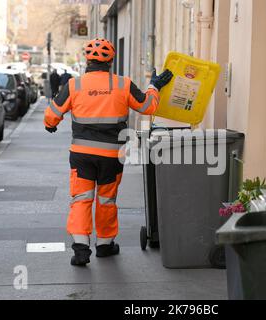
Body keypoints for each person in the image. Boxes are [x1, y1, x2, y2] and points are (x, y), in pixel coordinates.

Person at [43, 37, 173, 266]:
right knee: (106, 199)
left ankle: (81, 249)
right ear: (111, 61)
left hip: (82, 155)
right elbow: (148, 106)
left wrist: (51, 125)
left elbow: (52, 113)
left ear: (87, 60)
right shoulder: (123, 84)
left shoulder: (75, 85)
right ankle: (104, 245)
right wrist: (154, 86)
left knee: (81, 199)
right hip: (112, 155)